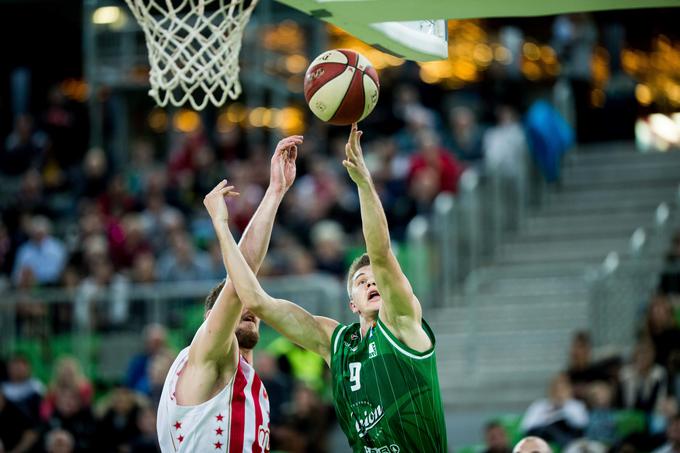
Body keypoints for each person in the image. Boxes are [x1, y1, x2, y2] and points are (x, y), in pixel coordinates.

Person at [209, 124, 447, 452]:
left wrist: (364, 182)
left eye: (377, 279)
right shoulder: (336, 344)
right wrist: (243, 212)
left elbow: (380, 253)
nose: (372, 283)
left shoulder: (405, 323)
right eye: (362, 282)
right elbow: (254, 300)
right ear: (352, 303)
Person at [156, 135, 302, 452]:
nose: (249, 305)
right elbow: (241, 278)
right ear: (212, 319)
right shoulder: (208, 352)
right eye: (237, 304)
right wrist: (223, 223)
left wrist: (277, 192)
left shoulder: (250, 382)